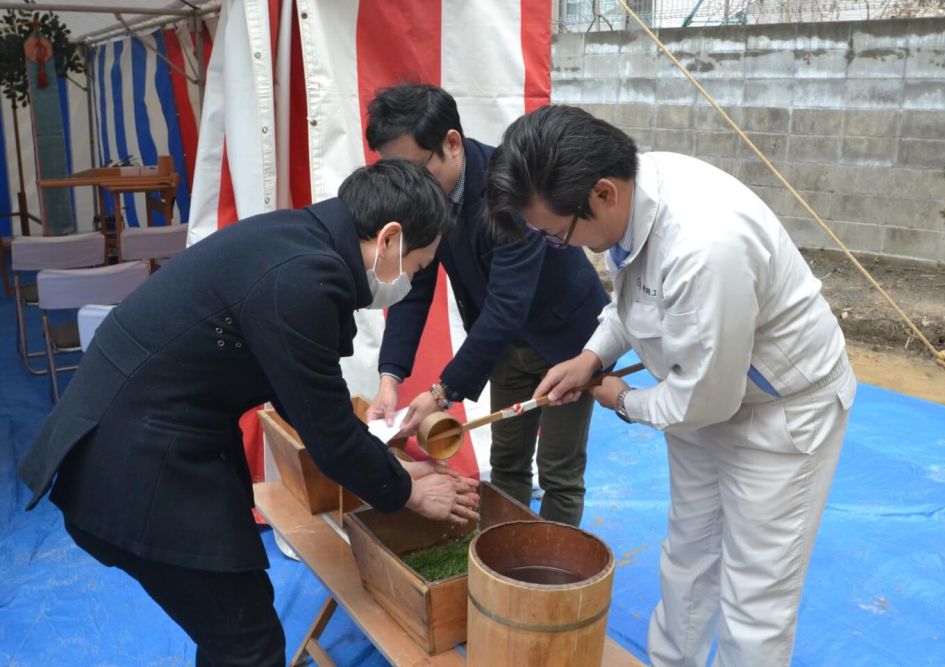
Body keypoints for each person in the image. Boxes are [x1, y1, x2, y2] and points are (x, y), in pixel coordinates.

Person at [17, 160, 480, 667]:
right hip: (135, 465)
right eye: (416, 268)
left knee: (234, 629)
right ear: (390, 239)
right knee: (247, 642)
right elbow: (326, 434)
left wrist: (390, 466)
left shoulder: (298, 239)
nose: (409, 283)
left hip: (152, 438)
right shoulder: (303, 279)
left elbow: (307, 401)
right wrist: (406, 490)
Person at [487, 105, 856, 666]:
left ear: (602, 193)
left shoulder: (704, 244)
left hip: (780, 414)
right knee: (688, 553)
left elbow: (707, 397)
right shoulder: (633, 199)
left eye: (557, 235)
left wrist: (625, 402)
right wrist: (591, 357)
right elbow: (634, 300)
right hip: (699, 396)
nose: (558, 245)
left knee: (756, 592)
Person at [361, 84, 609, 527]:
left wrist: (442, 392)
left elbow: (507, 305)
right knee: (507, 458)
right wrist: (389, 378)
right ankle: (502, 550)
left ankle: (554, 579)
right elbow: (413, 287)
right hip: (505, 345)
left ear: (451, 143)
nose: (409, 185)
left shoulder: (510, 187)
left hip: (568, 340)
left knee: (559, 471)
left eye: (416, 169)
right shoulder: (425, 197)